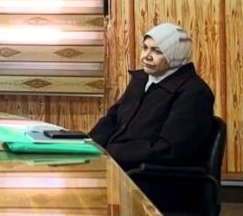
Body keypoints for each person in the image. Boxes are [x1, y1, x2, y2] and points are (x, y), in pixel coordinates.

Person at [90, 23, 215, 170]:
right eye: (145, 48)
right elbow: (113, 118)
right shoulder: (141, 80)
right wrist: (90, 146)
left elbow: (168, 150)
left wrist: (110, 153)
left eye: (157, 51)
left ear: (176, 54)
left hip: (150, 175)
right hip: (116, 164)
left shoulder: (194, 93)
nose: (146, 56)